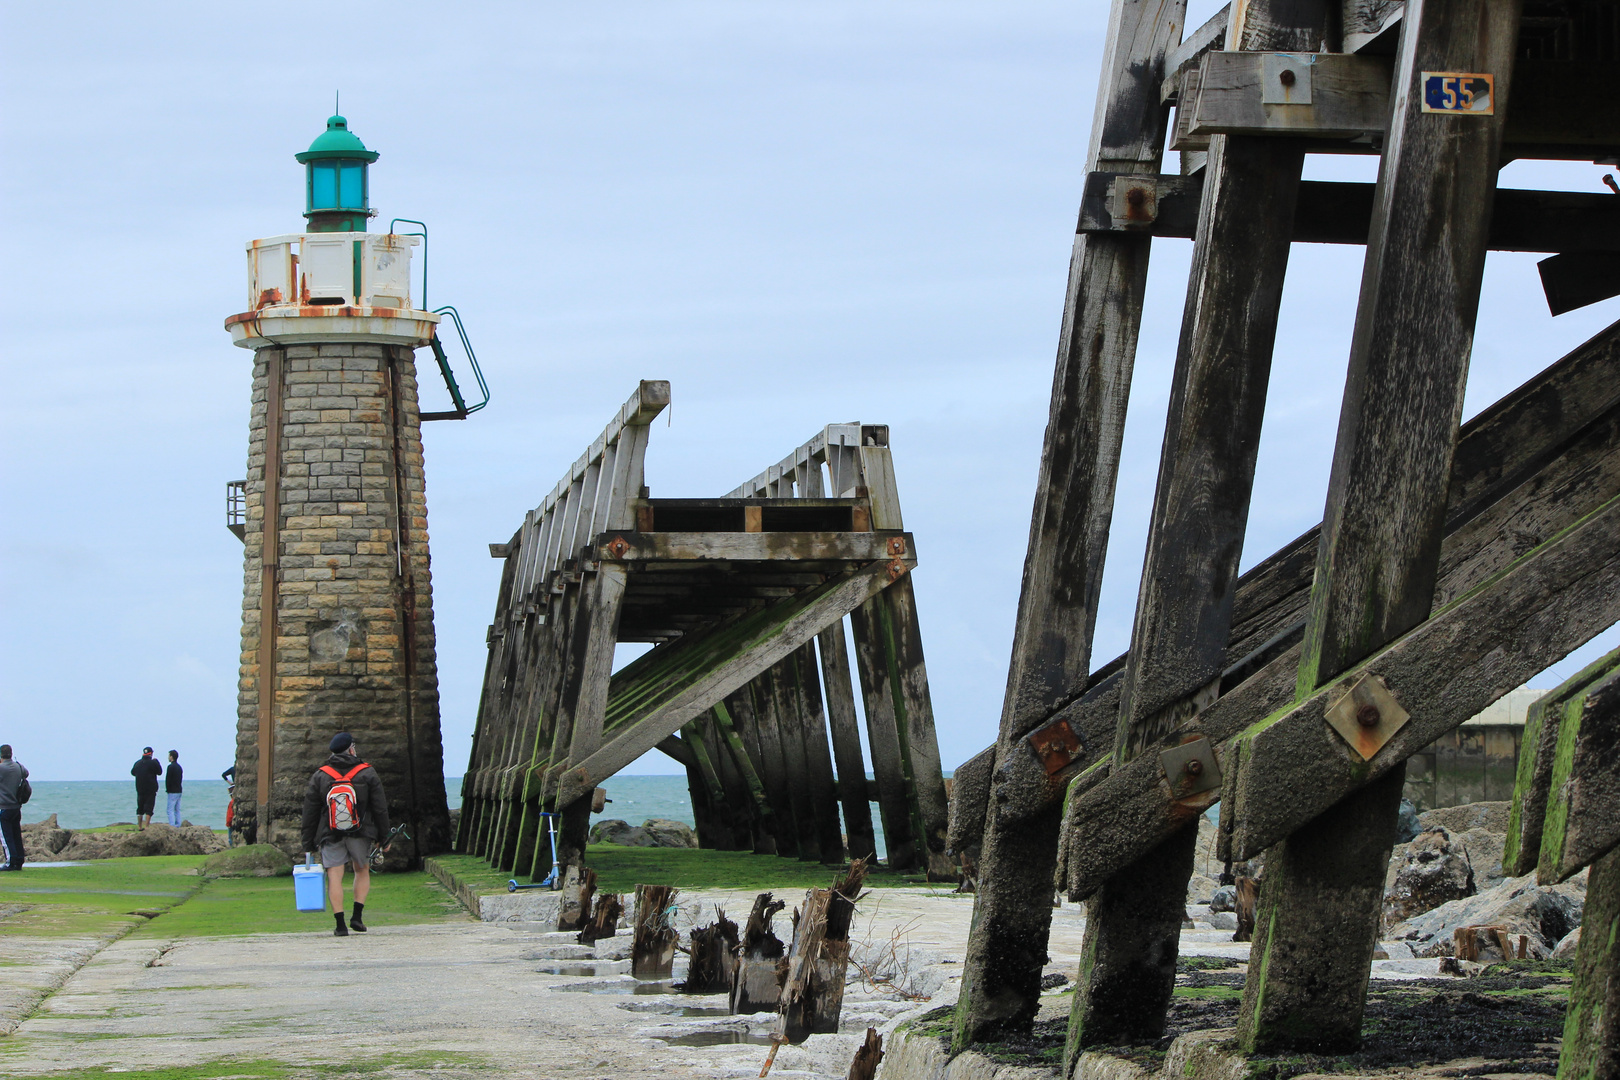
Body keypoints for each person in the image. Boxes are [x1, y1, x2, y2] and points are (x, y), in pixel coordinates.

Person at [300, 732, 390, 937]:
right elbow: (380, 808)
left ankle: (340, 924)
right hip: (361, 831)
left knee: (334, 876)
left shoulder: (320, 775)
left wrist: (308, 843)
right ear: (351, 749)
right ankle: (357, 916)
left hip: (329, 833)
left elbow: (310, 812)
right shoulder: (367, 772)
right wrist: (383, 837)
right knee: (361, 870)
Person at [0, 745, 28, 871]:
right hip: (16, 807)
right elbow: (26, 773)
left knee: (6, 836)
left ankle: (10, 862)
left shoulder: (1, 768)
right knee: (16, 834)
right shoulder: (18, 767)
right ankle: (19, 860)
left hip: (4, 806)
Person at [131, 748, 162, 830]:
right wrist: (157, 763)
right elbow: (160, 772)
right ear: (151, 754)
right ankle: (147, 826)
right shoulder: (153, 763)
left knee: (140, 808)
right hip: (150, 789)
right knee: (149, 808)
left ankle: (139, 826)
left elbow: (133, 772)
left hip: (140, 789)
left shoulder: (137, 763)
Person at [165, 751, 184, 827]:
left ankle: (172, 825)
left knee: (170, 810)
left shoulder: (170, 767)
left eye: (169, 756)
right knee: (177, 809)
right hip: (179, 790)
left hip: (172, 791)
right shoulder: (179, 767)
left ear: (171, 757)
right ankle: (178, 824)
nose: (168, 757)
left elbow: (168, 779)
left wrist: (168, 788)